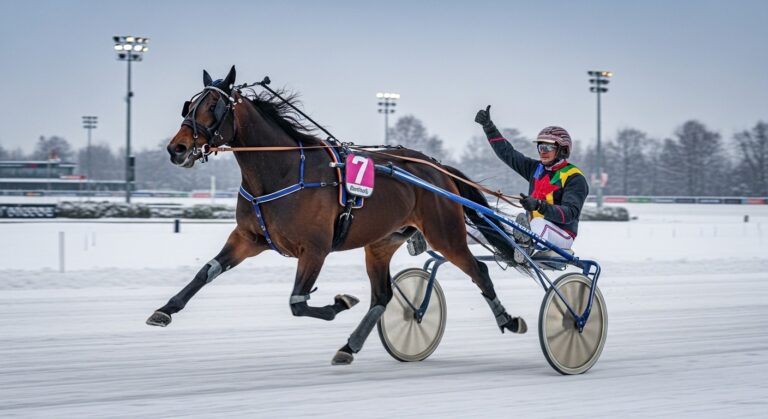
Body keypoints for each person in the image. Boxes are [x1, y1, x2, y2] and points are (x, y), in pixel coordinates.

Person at [474, 105, 589, 262]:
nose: (542, 151)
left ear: (562, 150)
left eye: (548, 146)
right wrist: (489, 128)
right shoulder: (536, 168)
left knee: (538, 223)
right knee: (490, 223)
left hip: (561, 234)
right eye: (540, 146)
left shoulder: (575, 178)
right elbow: (508, 154)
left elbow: (569, 214)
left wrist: (539, 206)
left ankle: (522, 246)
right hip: (532, 230)